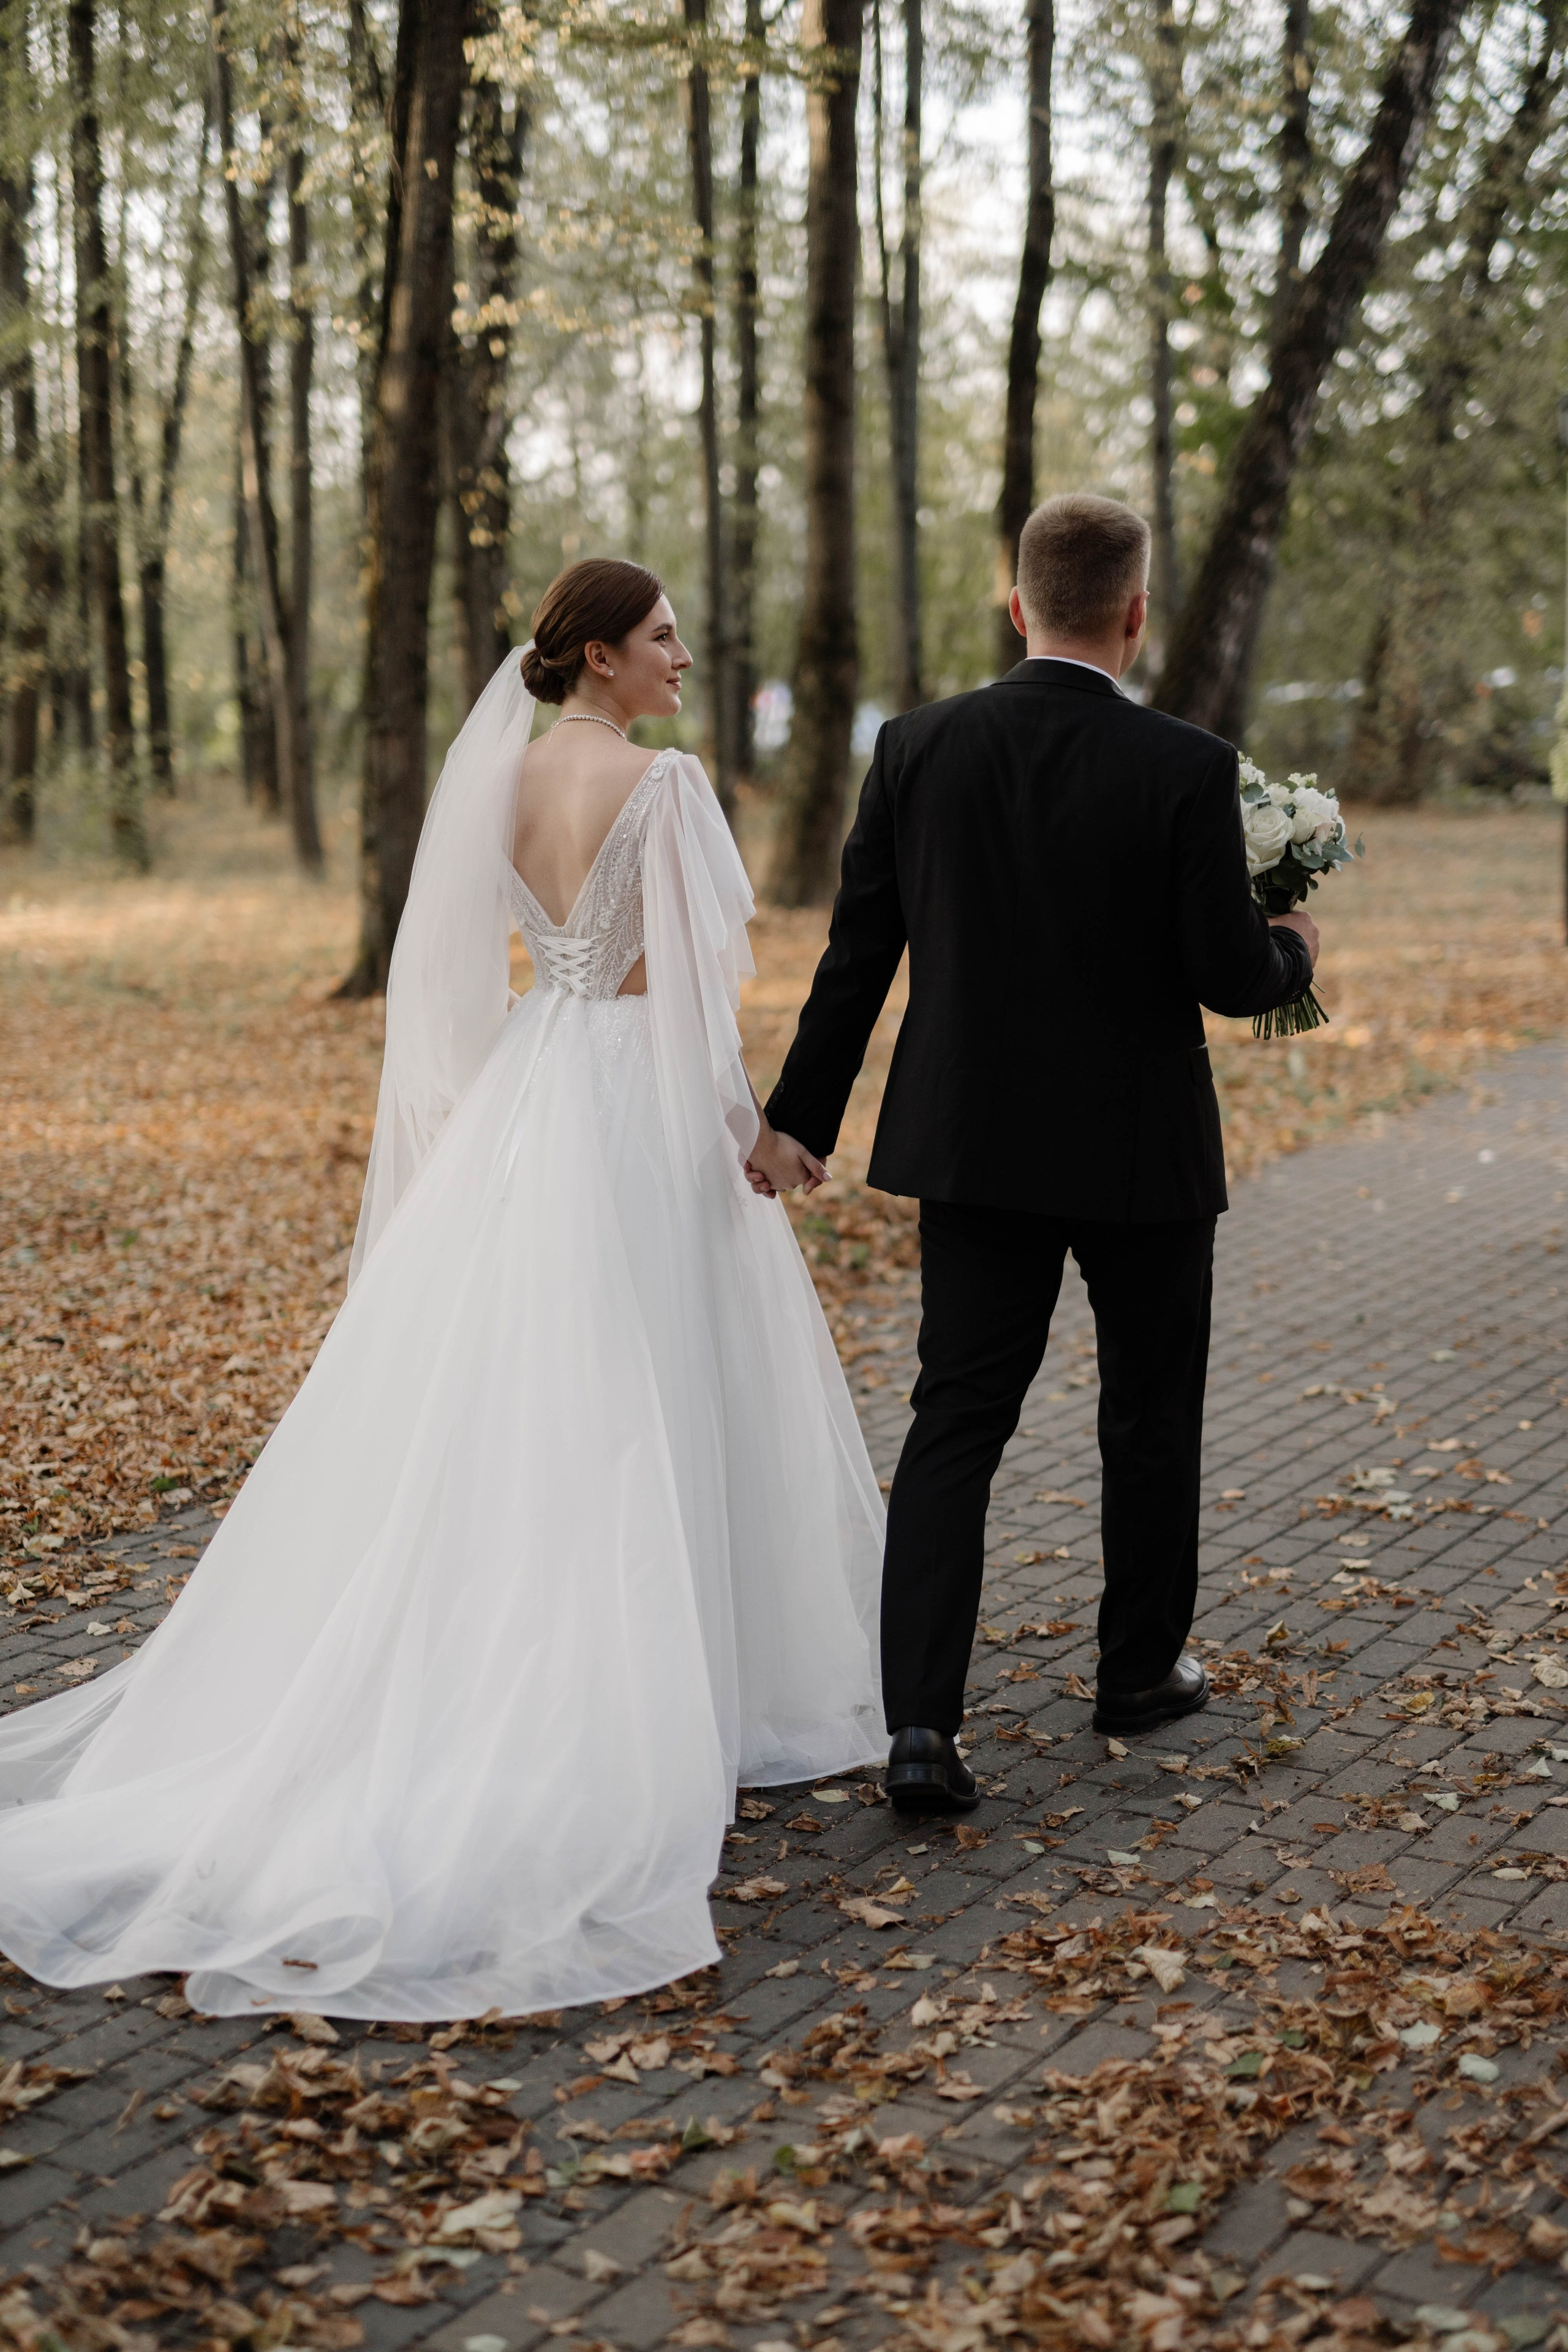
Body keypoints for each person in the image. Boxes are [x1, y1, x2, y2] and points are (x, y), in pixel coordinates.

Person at [0, 559, 883, 2021]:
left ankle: (565, 1674)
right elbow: (687, 1012)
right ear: (598, 655)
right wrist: (762, 1138)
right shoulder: (664, 791)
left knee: (535, 1402)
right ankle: (638, 1707)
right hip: (635, 1107)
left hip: (535, 1096)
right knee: (653, 1388)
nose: (680, 658)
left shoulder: (495, 785)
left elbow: (478, 982)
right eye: (659, 638)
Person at [758, 493, 1319, 1811]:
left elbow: (857, 959)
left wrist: (797, 1119)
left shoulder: (914, 746)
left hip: (972, 1147)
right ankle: (1133, 1675)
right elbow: (1225, 978)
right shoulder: (1187, 766)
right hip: (1140, 1157)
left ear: (1016, 608)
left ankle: (919, 1732)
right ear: (1134, 615)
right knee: (1147, 1410)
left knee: (954, 1419)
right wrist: (1289, 944)